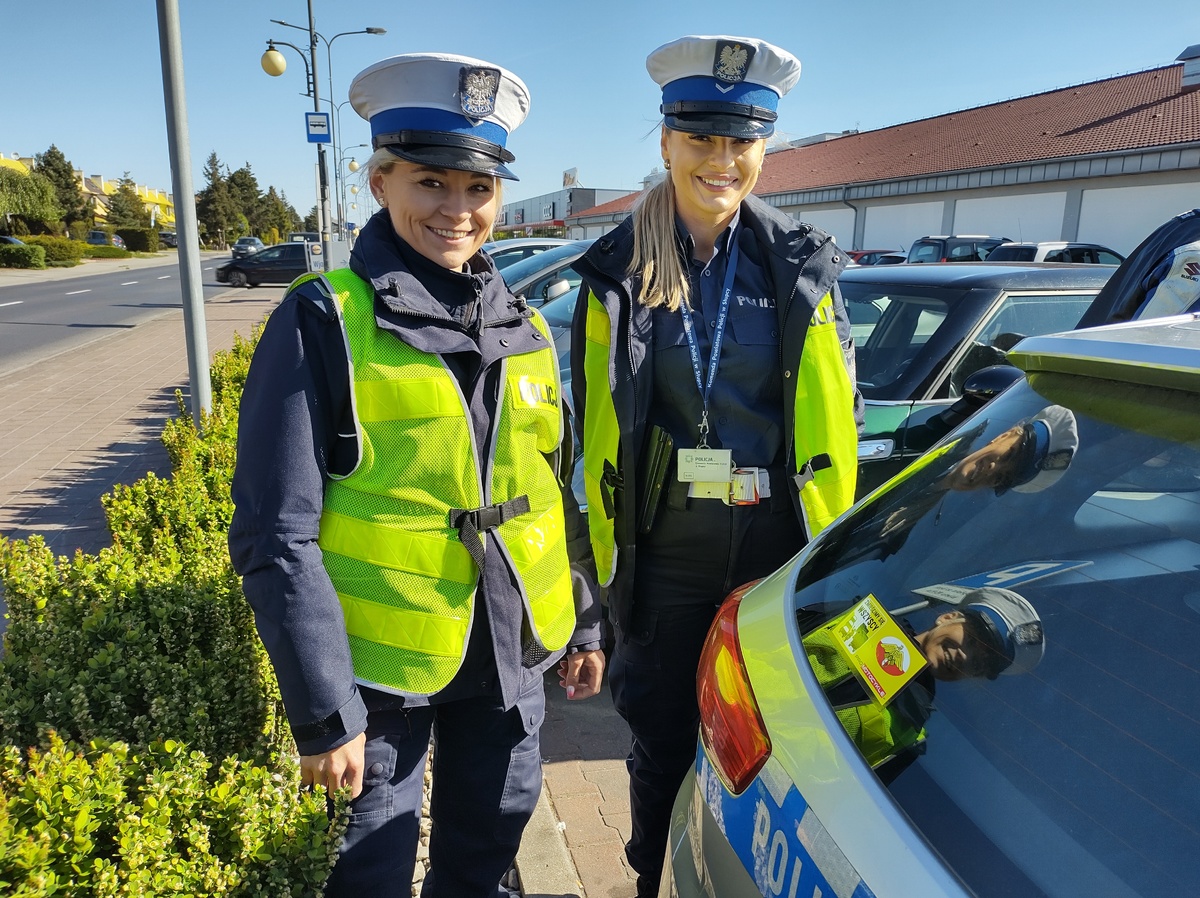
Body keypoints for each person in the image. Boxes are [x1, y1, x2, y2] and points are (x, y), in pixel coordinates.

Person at [228, 52, 605, 898]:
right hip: (377, 682)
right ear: (379, 181)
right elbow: (272, 532)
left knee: (484, 858)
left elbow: (550, 493)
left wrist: (581, 623)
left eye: (478, 189)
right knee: (370, 875)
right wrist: (324, 713)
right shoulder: (324, 318)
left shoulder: (526, 328)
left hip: (508, 654)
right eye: (432, 182)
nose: (457, 210)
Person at [569, 35, 863, 896]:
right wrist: (593, 594)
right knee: (662, 743)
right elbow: (589, 448)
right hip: (665, 560)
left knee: (772, 745)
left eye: (742, 140)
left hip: (776, 552)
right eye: (701, 137)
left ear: (764, 147)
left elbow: (836, 418)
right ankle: (652, 878)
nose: (722, 160)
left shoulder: (802, 264)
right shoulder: (617, 272)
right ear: (665, 142)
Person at [803, 586, 1045, 782]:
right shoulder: (858, 616)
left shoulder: (910, 734)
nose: (965, 658)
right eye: (971, 640)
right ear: (947, 617)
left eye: (979, 664)